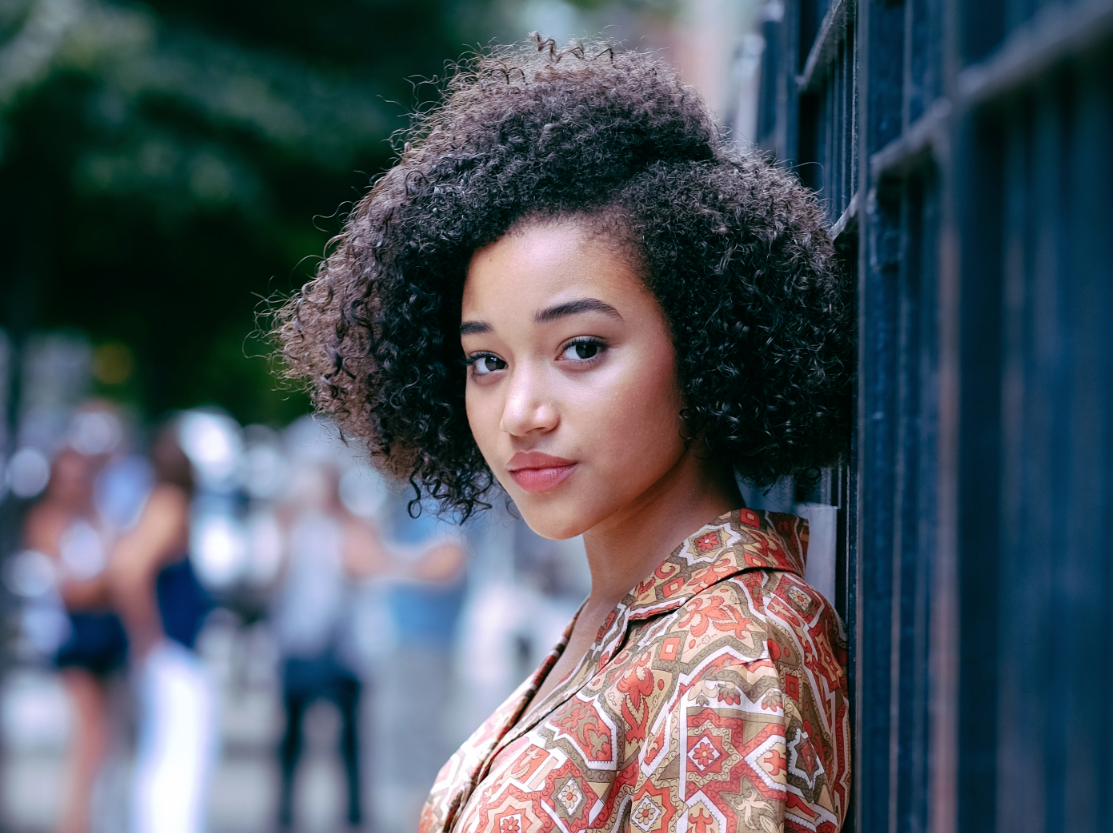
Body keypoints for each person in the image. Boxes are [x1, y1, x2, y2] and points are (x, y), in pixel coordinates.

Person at [276, 37, 853, 833]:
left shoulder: (732, 656)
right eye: (487, 360)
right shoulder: (624, 614)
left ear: (707, 338)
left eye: (581, 348)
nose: (521, 411)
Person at [107, 422, 214, 833]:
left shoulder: (156, 502)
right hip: (172, 648)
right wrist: (147, 636)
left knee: (164, 749)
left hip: (169, 647)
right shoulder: (169, 504)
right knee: (179, 752)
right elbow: (128, 571)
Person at [270, 461, 382, 831]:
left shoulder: (349, 527)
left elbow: (363, 564)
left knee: (349, 739)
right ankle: (285, 812)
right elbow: (275, 578)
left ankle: (353, 814)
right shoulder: (292, 529)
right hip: (299, 643)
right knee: (290, 736)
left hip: (342, 649)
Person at [23, 447, 122, 833]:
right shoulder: (47, 520)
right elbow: (74, 589)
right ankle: (74, 822)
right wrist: (105, 584)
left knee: (102, 738)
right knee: (89, 736)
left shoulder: (95, 517)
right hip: (71, 636)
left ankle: (85, 818)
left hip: (101, 635)